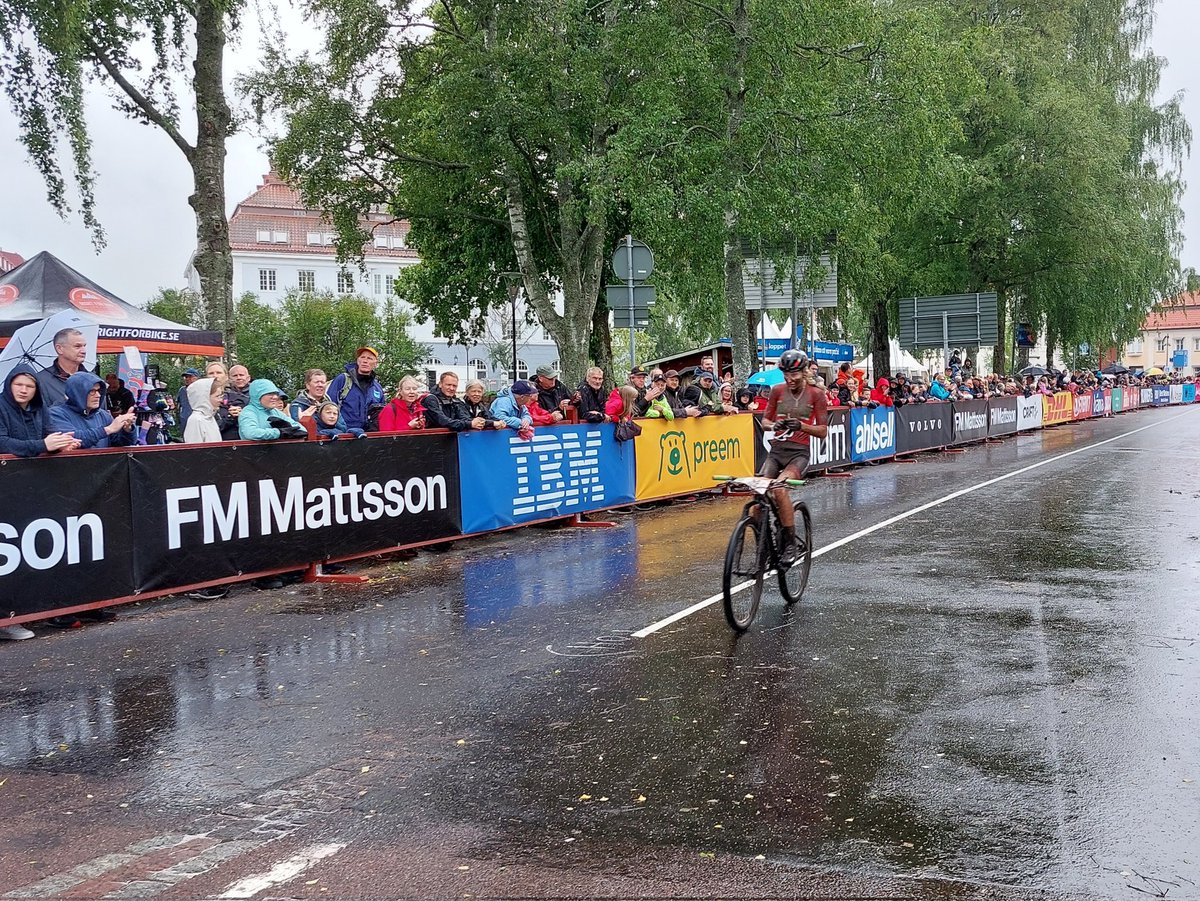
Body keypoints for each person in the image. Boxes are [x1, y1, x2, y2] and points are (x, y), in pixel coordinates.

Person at [0, 363, 83, 637]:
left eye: (29, 385)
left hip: (33, 490)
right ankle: (6, 620)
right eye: (19, 384)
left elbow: (47, 436)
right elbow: (4, 444)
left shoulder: (40, 409)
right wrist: (42, 446)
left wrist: (61, 444)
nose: (23, 390)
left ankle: (23, 613)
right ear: (9, 384)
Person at [760, 349, 828, 565]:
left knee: (779, 489)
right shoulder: (777, 391)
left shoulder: (816, 394)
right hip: (776, 451)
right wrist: (775, 425)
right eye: (786, 375)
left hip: (798, 454)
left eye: (794, 375)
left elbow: (823, 430)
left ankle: (789, 543)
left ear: (804, 371)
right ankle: (762, 542)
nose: (789, 379)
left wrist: (801, 426)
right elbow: (764, 422)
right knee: (757, 493)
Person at [48, 372, 137, 449]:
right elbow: (73, 439)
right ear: (77, 393)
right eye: (92, 391)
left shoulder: (103, 415)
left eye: (99, 391)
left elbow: (121, 445)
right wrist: (108, 429)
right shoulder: (55, 414)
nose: (98, 395)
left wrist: (127, 430)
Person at [326, 347, 386, 433]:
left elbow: (381, 415)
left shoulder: (377, 388)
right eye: (362, 357)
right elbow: (328, 406)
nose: (365, 361)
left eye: (369, 358)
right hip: (343, 435)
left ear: (375, 364)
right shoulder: (343, 380)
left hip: (368, 437)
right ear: (358, 360)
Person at [34, 328, 90, 408]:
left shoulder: (93, 379)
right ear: (59, 349)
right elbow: (41, 416)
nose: (83, 351)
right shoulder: (41, 381)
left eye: (84, 346)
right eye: (77, 346)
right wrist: (64, 401)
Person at [238, 379, 306, 441]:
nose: (275, 397)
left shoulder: (275, 412)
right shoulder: (248, 412)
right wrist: (279, 432)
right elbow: (250, 433)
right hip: (253, 452)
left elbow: (302, 430)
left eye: (276, 394)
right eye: (270, 394)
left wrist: (287, 426)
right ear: (257, 395)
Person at [183, 373, 227, 443]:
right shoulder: (196, 420)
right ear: (204, 398)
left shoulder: (209, 417)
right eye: (217, 396)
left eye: (221, 396)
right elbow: (194, 450)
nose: (221, 400)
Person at [216, 363, 252, 440]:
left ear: (248, 378)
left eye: (241, 375)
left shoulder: (257, 393)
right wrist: (231, 416)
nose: (238, 378)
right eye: (235, 376)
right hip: (228, 438)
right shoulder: (221, 395)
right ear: (229, 378)